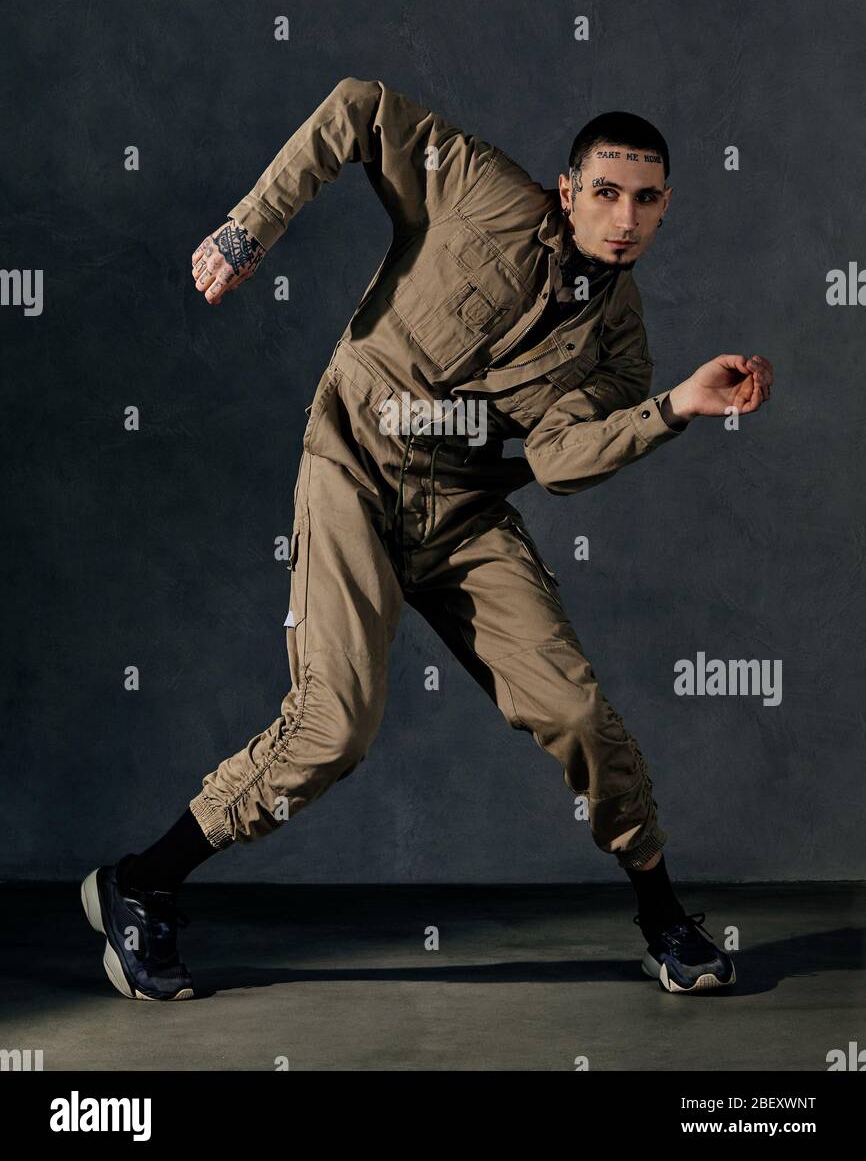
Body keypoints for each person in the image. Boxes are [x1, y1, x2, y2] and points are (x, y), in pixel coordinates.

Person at [81, 77, 773, 1001]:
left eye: (646, 199)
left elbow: (563, 461)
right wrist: (252, 228)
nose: (624, 217)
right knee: (334, 727)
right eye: (605, 192)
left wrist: (675, 405)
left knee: (576, 715)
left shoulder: (621, 343)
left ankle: (662, 919)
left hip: (462, 514)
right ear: (568, 192)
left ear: (666, 207)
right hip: (353, 474)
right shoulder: (477, 186)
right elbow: (359, 108)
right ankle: (141, 884)